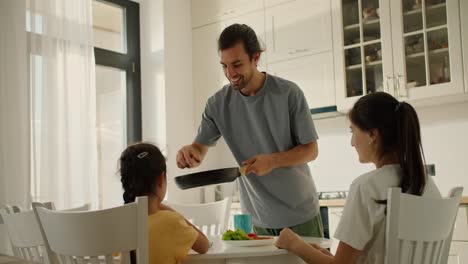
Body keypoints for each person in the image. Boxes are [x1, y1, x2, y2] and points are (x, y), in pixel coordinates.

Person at [176, 23, 322, 237]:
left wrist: (272, 161)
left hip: (299, 215)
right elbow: (199, 149)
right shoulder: (217, 105)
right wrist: (190, 153)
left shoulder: (288, 93)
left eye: (236, 64)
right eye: (224, 66)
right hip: (257, 219)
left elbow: (311, 150)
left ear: (255, 58)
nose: (230, 73)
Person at [275, 92, 441, 263]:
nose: (352, 142)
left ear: (372, 135)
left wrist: (294, 244)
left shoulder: (366, 187)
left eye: (353, 131)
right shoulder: (427, 184)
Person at [119, 142, 209, 264]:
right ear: (161, 179)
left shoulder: (117, 223)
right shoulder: (171, 221)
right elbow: (204, 245)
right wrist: (168, 209)